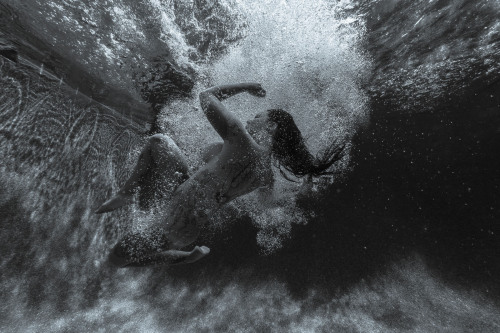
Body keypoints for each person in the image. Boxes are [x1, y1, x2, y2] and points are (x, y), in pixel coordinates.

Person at [95, 83, 344, 267]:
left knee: (116, 259)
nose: (249, 120)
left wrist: (247, 86)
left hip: (177, 217)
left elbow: (206, 96)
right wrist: (297, 193)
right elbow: (268, 205)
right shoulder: (265, 175)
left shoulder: (240, 138)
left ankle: (181, 255)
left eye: (258, 117)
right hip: (185, 224)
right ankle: (177, 248)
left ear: (271, 126)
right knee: (163, 144)